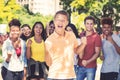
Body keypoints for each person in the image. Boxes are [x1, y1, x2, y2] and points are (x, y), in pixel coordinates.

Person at [45, 10, 87, 80]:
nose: (60, 22)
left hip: (70, 76)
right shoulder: (49, 41)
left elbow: (76, 51)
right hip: (55, 76)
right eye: (58, 20)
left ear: (67, 23)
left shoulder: (71, 35)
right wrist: (48, 53)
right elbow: (48, 63)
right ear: (54, 21)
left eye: (63, 20)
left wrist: (83, 44)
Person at [77, 16, 102, 80]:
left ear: (93, 25)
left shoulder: (97, 37)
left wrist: (88, 61)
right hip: (80, 66)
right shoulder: (81, 35)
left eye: (91, 24)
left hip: (91, 67)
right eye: (87, 23)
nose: (89, 25)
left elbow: (97, 53)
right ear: (84, 24)